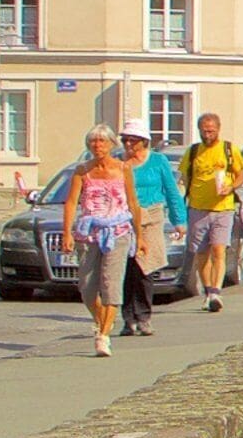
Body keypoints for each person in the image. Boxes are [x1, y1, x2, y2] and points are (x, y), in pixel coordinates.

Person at [56, 125, 136, 357]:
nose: (98, 146)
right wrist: (67, 233)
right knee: (88, 287)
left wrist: (140, 237)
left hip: (118, 231)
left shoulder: (123, 169)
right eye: (94, 142)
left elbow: (133, 202)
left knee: (111, 284)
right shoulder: (82, 171)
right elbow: (71, 202)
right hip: (89, 233)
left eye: (102, 141)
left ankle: (103, 335)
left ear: (112, 144)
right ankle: (102, 321)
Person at [119, 121, 186, 338]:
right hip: (125, 220)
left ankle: (144, 317)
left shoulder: (158, 161)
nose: (128, 144)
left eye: (132, 140)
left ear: (143, 141)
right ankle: (128, 319)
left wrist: (179, 220)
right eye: (125, 139)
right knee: (126, 270)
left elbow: (171, 191)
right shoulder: (120, 163)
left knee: (145, 269)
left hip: (152, 217)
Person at [182, 111, 243, 313]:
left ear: (218, 129)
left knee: (219, 249)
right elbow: (184, 175)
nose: (208, 135)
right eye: (204, 131)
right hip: (198, 208)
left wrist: (230, 187)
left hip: (223, 208)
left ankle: (216, 292)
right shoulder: (193, 152)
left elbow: (241, 176)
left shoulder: (228, 149)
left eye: (211, 131)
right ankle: (208, 291)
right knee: (201, 254)